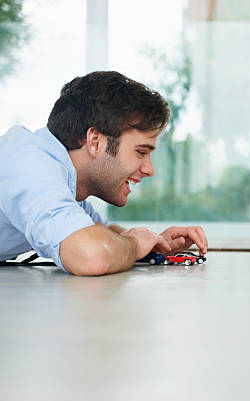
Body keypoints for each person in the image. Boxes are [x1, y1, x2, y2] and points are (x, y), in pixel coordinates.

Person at [0, 71, 207, 276]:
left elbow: (101, 234)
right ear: (95, 142)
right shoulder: (29, 163)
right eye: (141, 152)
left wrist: (155, 244)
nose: (149, 169)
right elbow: (92, 255)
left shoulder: (62, 181)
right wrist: (134, 244)